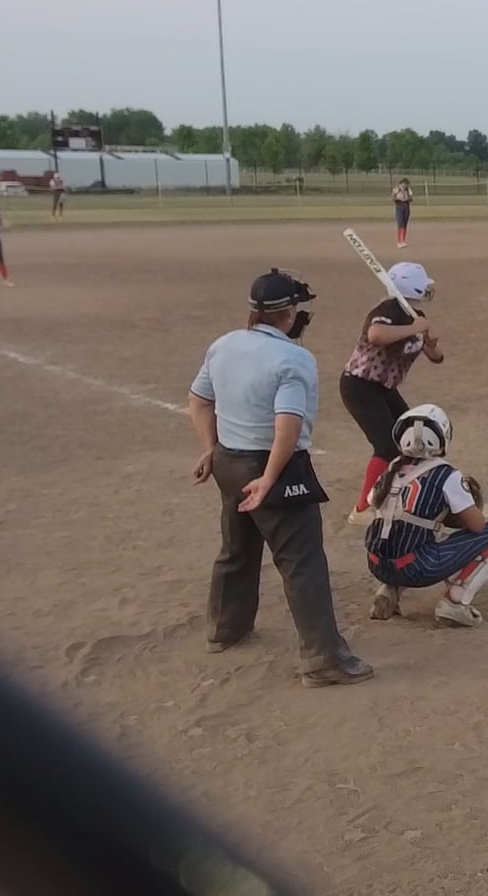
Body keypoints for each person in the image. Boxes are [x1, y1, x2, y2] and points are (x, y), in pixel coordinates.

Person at [186, 269, 372, 688]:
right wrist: (270, 478)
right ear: (288, 314)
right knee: (302, 562)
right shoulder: (293, 358)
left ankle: (225, 630)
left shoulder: (223, 344)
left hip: (228, 461)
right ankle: (323, 660)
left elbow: (198, 401)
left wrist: (211, 449)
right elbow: (287, 423)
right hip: (273, 466)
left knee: (237, 548)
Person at [362, 404, 488, 628]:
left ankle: (389, 590)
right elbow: (477, 525)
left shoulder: (392, 468)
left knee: (404, 531)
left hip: (376, 564)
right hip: (418, 568)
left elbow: (373, 503)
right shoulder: (446, 475)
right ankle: (455, 602)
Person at [340, 262, 442, 521]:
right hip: (360, 386)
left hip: (383, 388)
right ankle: (362, 509)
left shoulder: (414, 316)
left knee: (412, 438)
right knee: (386, 446)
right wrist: (415, 328)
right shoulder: (387, 311)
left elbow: (436, 357)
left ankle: (401, 493)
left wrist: (430, 343)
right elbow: (376, 335)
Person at [392, 179, 413, 248]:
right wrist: (398, 199)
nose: (404, 185)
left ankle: (403, 241)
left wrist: (407, 199)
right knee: (400, 224)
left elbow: (411, 198)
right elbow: (393, 198)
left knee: (404, 224)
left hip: (406, 207)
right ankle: (399, 241)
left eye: (406, 184)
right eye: (403, 184)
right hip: (399, 207)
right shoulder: (396, 190)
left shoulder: (408, 190)